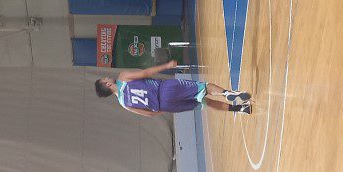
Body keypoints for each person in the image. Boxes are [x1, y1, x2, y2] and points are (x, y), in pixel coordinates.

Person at [95, 59, 251, 116]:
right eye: (105, 79)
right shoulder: (123, 77)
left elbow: (149, 114)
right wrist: (167, 65)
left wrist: (164, 108)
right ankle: (227, 93)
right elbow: (145, 73)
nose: (107, 77)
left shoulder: (124, 104)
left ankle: (240, 109)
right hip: (165, 89)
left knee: (204, 103)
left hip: (166, 105)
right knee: (203, 87)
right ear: (107, 84)